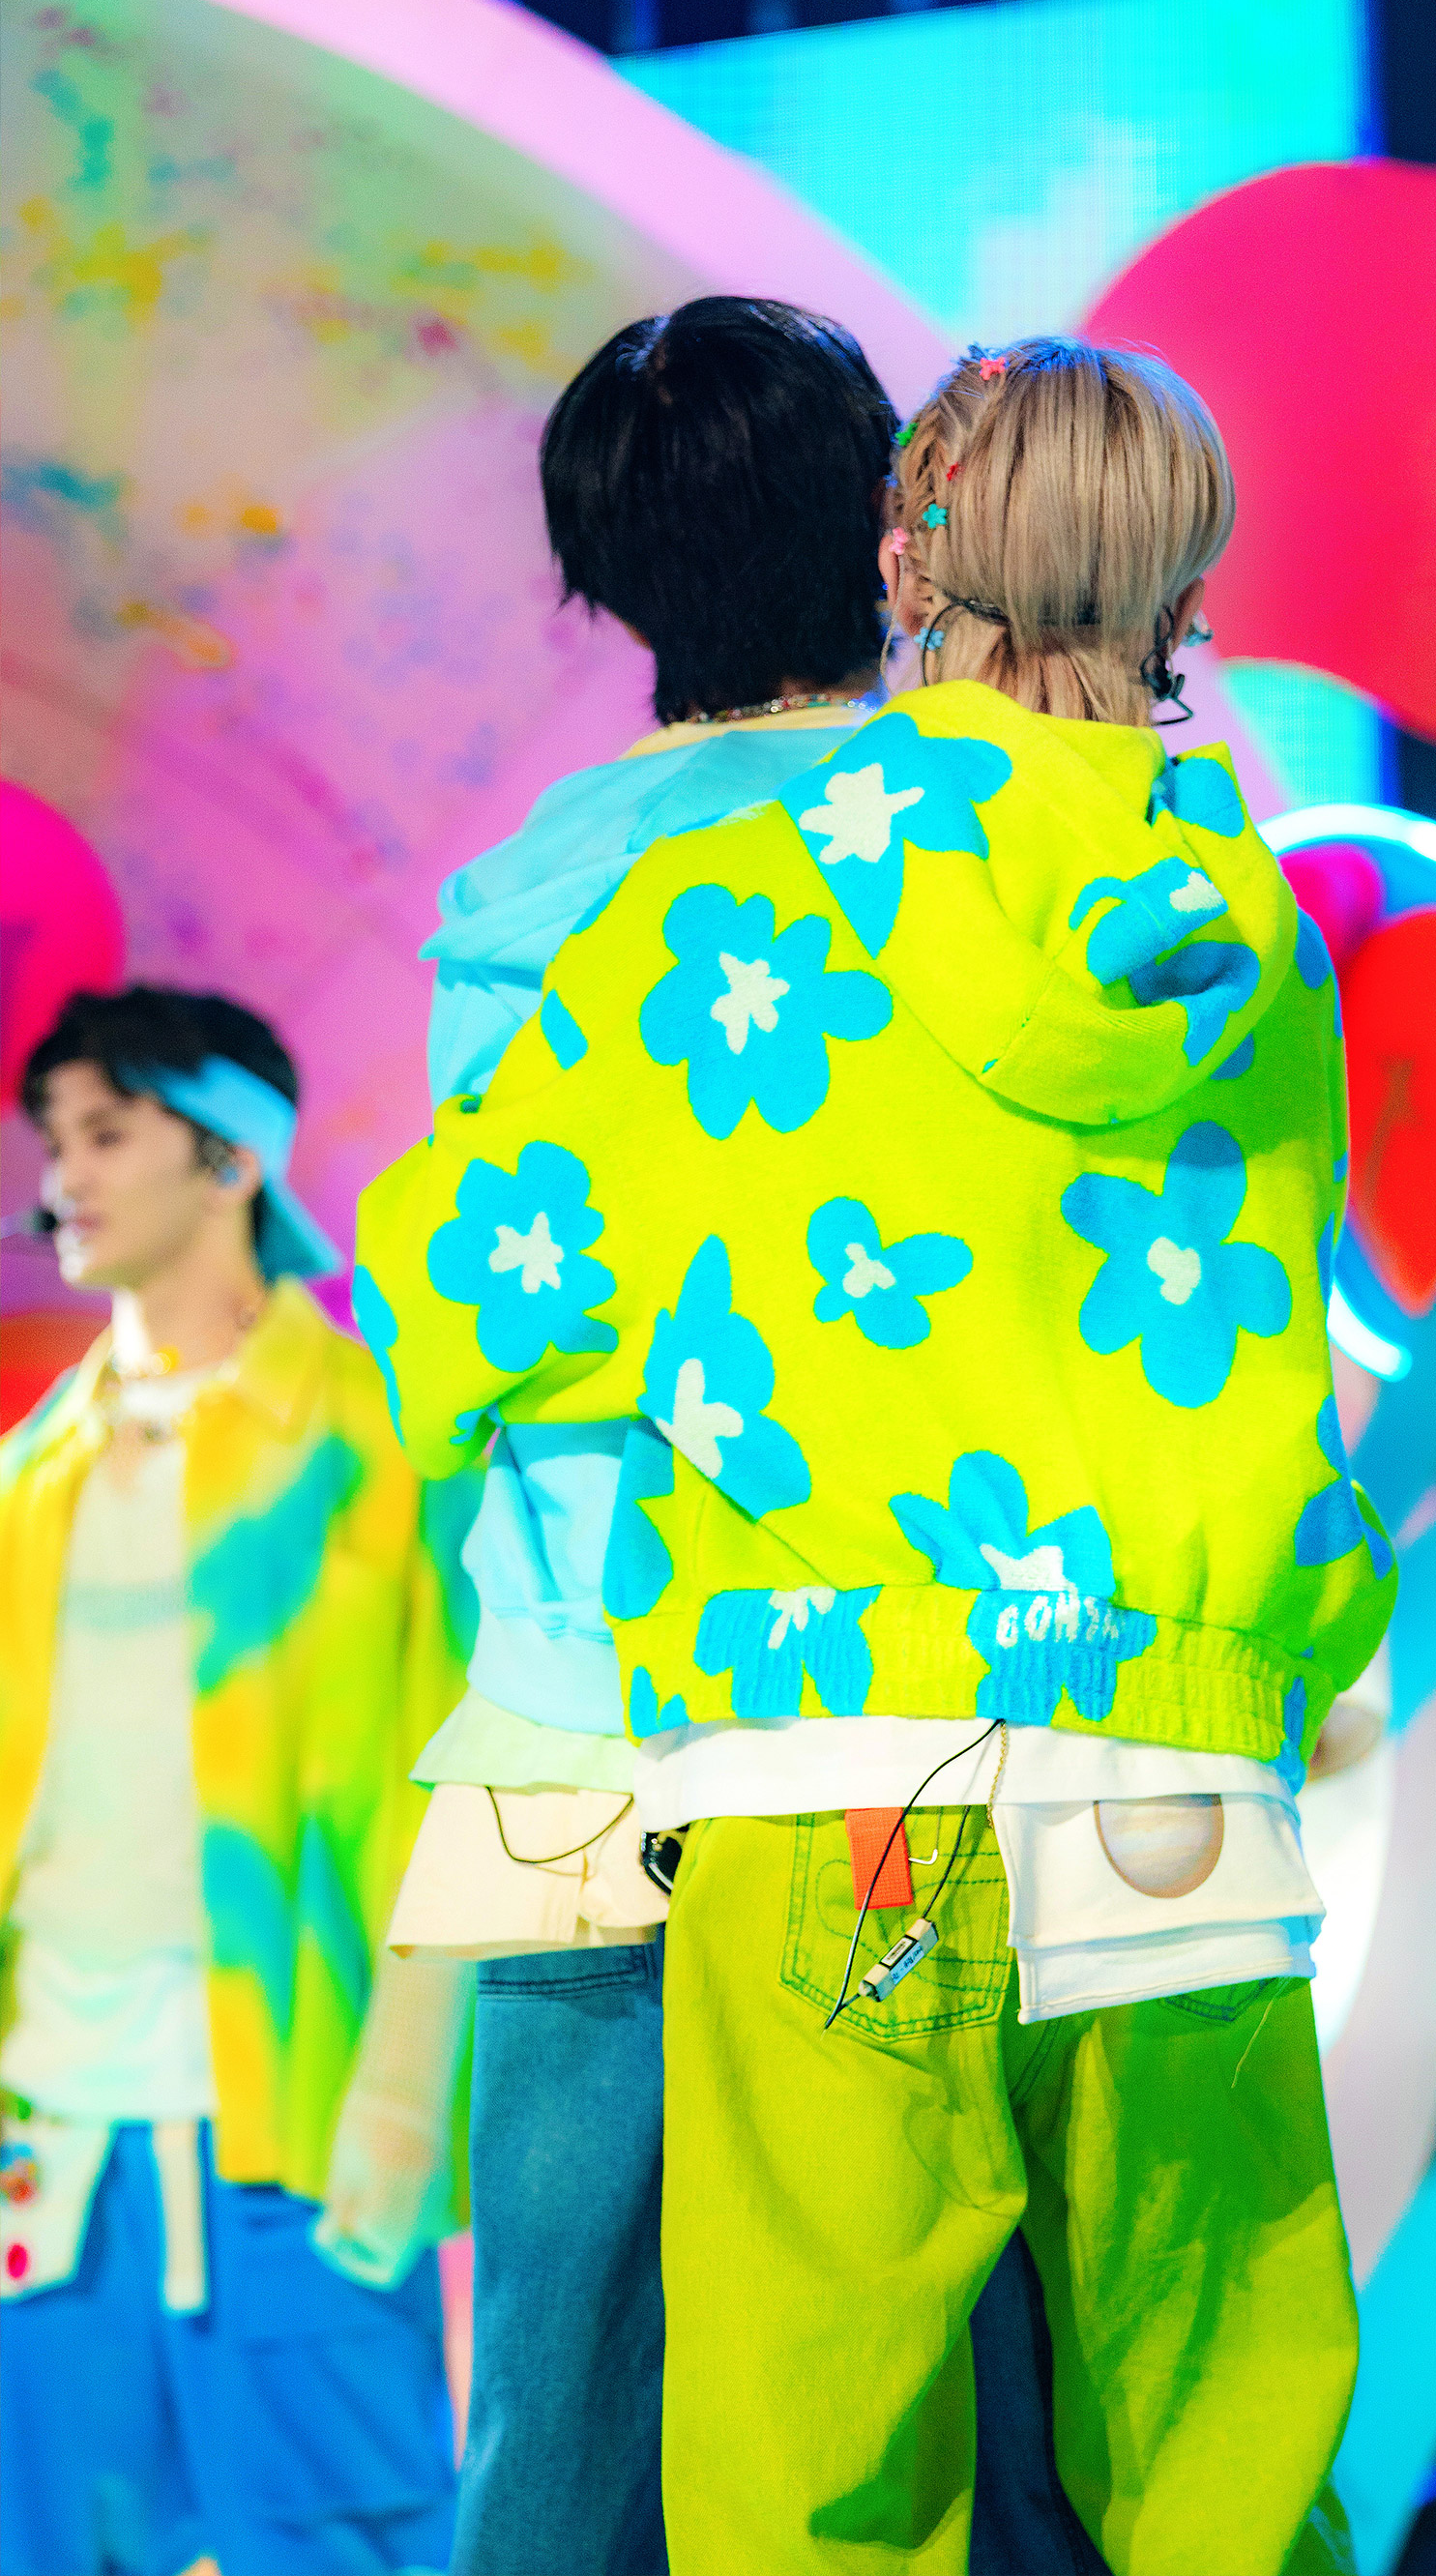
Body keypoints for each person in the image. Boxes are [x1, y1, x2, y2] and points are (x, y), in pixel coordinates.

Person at [359, 334, 1396, 2575]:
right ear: (1183, 582)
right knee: (1222, 2458)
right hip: (1175, 1772)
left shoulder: (715, 914)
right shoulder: (1244, 935)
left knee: (815, 2458)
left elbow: (473, 1280)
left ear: (907, 558)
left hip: (828, 1768)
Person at [377, 296, 1107, 2576]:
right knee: (974, 2364)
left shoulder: (518, 910)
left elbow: (480, 1320)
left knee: (568, 2394)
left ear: (601, 579)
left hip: (575, 1713)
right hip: (910, 1703)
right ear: (900, 529)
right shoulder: (988, 848)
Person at [0, 985, 477, 2576]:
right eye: (54, 1139)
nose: (63, 1174)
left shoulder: (378, 1440)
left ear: (231, 1155)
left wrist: (409, 2098)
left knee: (345, 2544)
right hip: (46, 2137)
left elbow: (454, 1786)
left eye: (106, 1133)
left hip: (294, 2127)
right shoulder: (32, 1471)